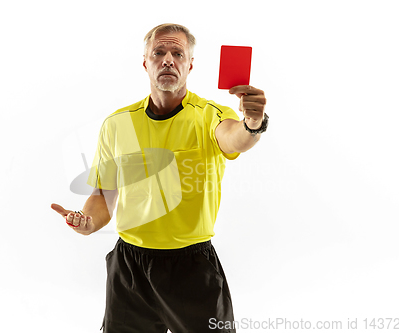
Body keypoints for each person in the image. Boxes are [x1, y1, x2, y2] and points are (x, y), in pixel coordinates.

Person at [51, 23, 268, 333]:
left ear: (189, 65)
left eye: (178, 53)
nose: (168, 59)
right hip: (130, 268)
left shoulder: (211, 115)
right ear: (145, 62)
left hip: (192, 267)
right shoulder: (117, 124)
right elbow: (103, 197)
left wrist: (253, 123)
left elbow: (236, 139)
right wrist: (87, 221)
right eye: (159, 52)